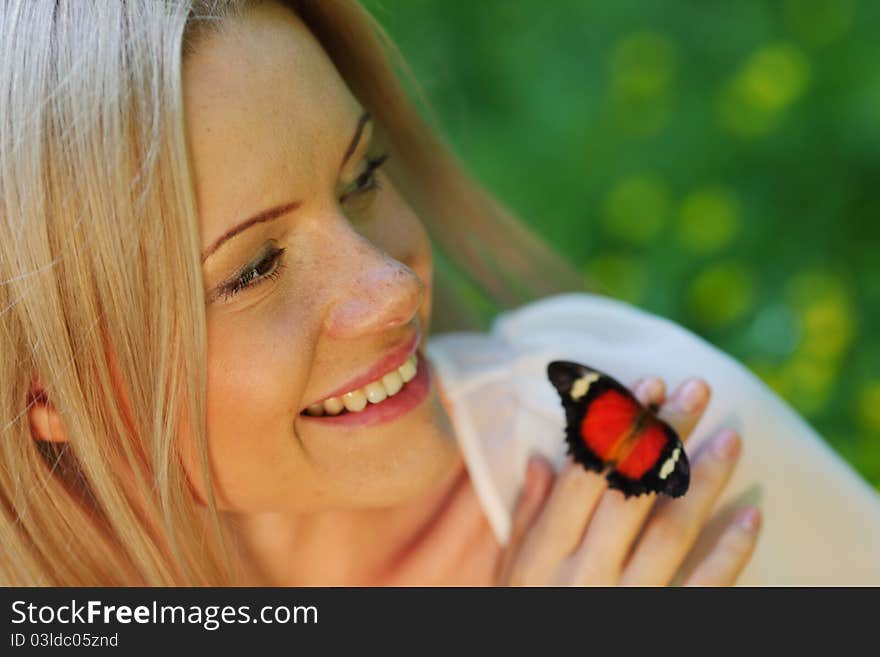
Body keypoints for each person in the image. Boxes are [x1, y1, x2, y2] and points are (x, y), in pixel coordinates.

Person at [1, 0, 876, 586]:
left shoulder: (633, 468)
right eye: (254, 268)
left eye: (363, 176)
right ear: (46, 390)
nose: (390, 289)